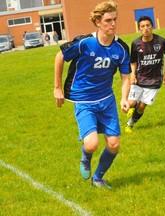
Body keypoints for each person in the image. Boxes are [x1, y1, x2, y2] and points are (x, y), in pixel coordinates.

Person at [54, 1, 131, 189]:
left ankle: (98, 178)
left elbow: (125, 77)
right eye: (108, 20)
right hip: (84, 101)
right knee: (91, 144)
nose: (113, 24)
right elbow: (59, 57)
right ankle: (85, 158)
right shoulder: (84, 43)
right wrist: (57, 87)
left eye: (115, 20)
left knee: (113, 144)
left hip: (106, 100)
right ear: (97, 22)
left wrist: (124, 98)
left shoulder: (121, 48)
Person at [125, 16, 165, 133]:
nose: (146, 28)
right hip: (140, 78)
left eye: (148, 25)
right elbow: (133, 61)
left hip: (155, 80)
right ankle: (133, 108)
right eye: (142, 26)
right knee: (130, 103)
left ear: (152, 26)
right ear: (139, 29)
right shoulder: (136, 43)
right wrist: (133, 75)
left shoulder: (162, 42)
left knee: (141, 107)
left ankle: (130, 124)